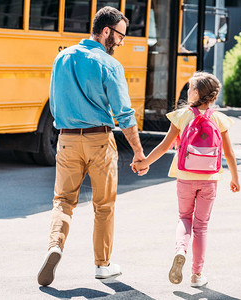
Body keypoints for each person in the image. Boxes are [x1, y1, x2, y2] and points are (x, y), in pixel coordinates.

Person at [37, 7, 147, 286]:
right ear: (107, 31)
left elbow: (54, 101)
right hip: (99, 141)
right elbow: (124, 114)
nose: (122, 42)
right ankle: (102, 265)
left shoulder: (62, 57)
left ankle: (55, 247)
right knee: (104, 206)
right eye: (121, 35)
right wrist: (138, 151)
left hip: (67, 139)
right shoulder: (110, 65)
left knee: (63, 201)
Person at [132, 71, 240, 287]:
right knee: (201, 226)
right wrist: (234, 178)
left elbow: (165, 146)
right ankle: (196, 275)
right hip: (209, 179)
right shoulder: (219, 119)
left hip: (185, 178)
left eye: (190, 87)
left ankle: (180, 249)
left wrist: (144, 163)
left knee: (184, 218)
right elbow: (229, 153)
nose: (188, 91)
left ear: (197, 93)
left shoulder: (181, 116)